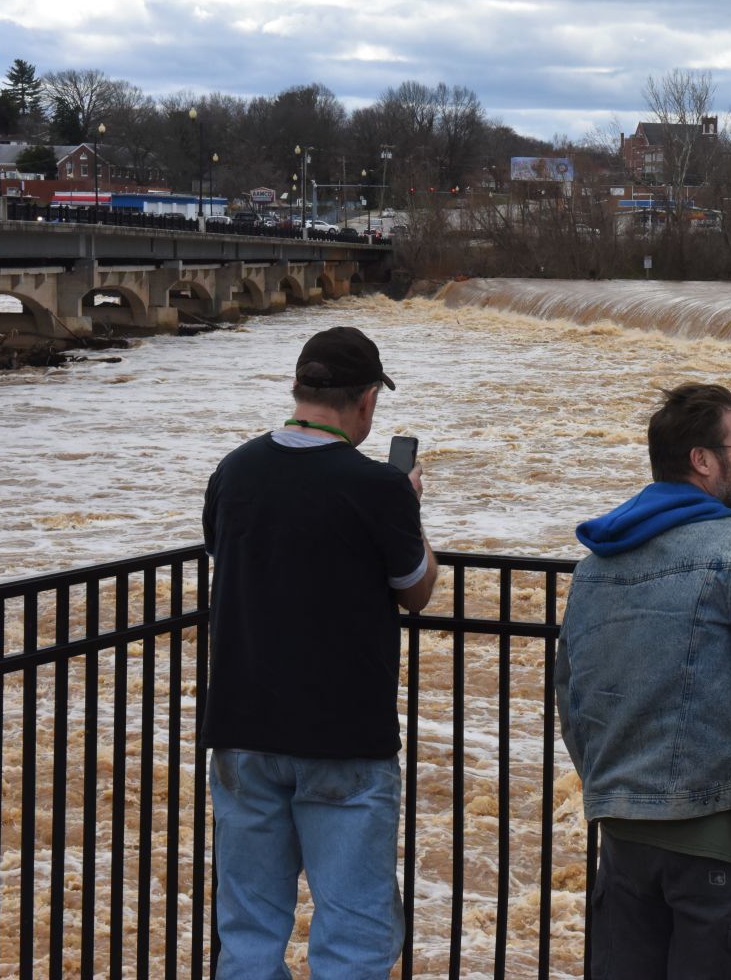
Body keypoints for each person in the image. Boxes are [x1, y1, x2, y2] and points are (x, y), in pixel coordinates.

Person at [558, 382, 731, 979]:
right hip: (719, 852)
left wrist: (618, 794)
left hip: (625, 845)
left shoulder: (595, 566)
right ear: (703, 461)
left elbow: (573, 700)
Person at [200, 325, 438, 977]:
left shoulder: (234, 470)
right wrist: (408, 508)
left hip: (242, 732)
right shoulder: (376, 487)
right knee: (352, 933)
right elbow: (414, 589)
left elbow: (228, 553)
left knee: (247, 931)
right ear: (366, 402)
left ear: (300, 390)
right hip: (345, 741)